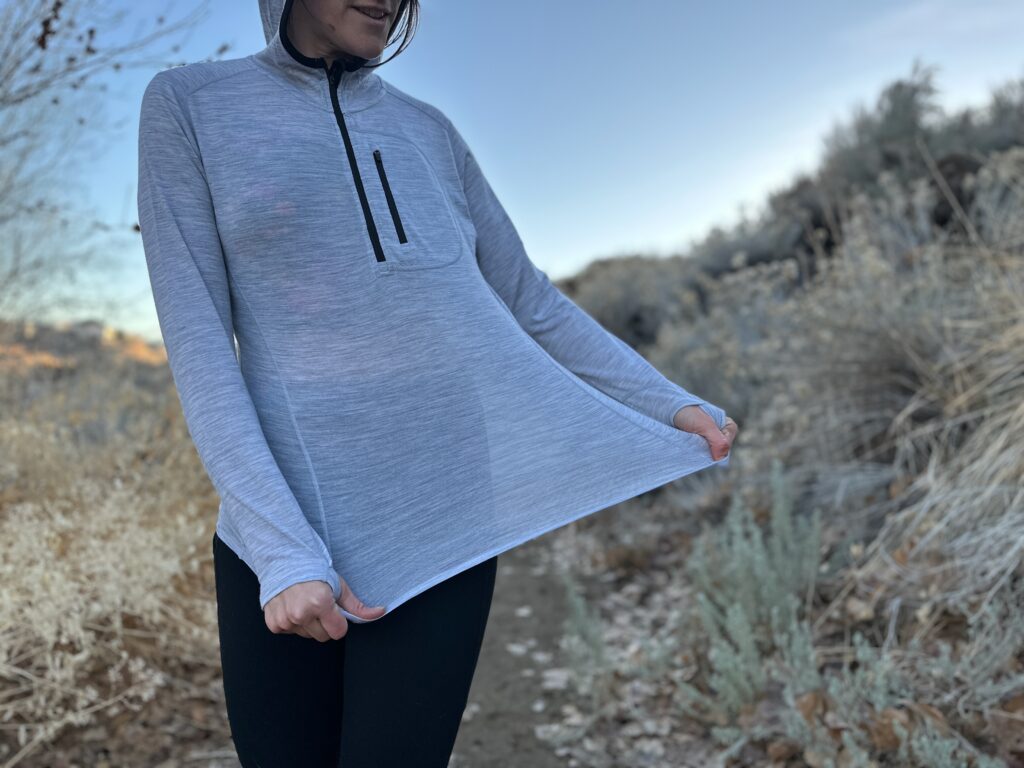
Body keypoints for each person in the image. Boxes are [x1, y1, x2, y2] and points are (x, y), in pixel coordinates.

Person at [137, 0, 738, 764]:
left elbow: (528, 300)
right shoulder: (189, 105)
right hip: (286, 522)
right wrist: (285, 550)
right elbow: (200, 346)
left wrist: (665, 402)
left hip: (444, 516)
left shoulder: (432, 132)